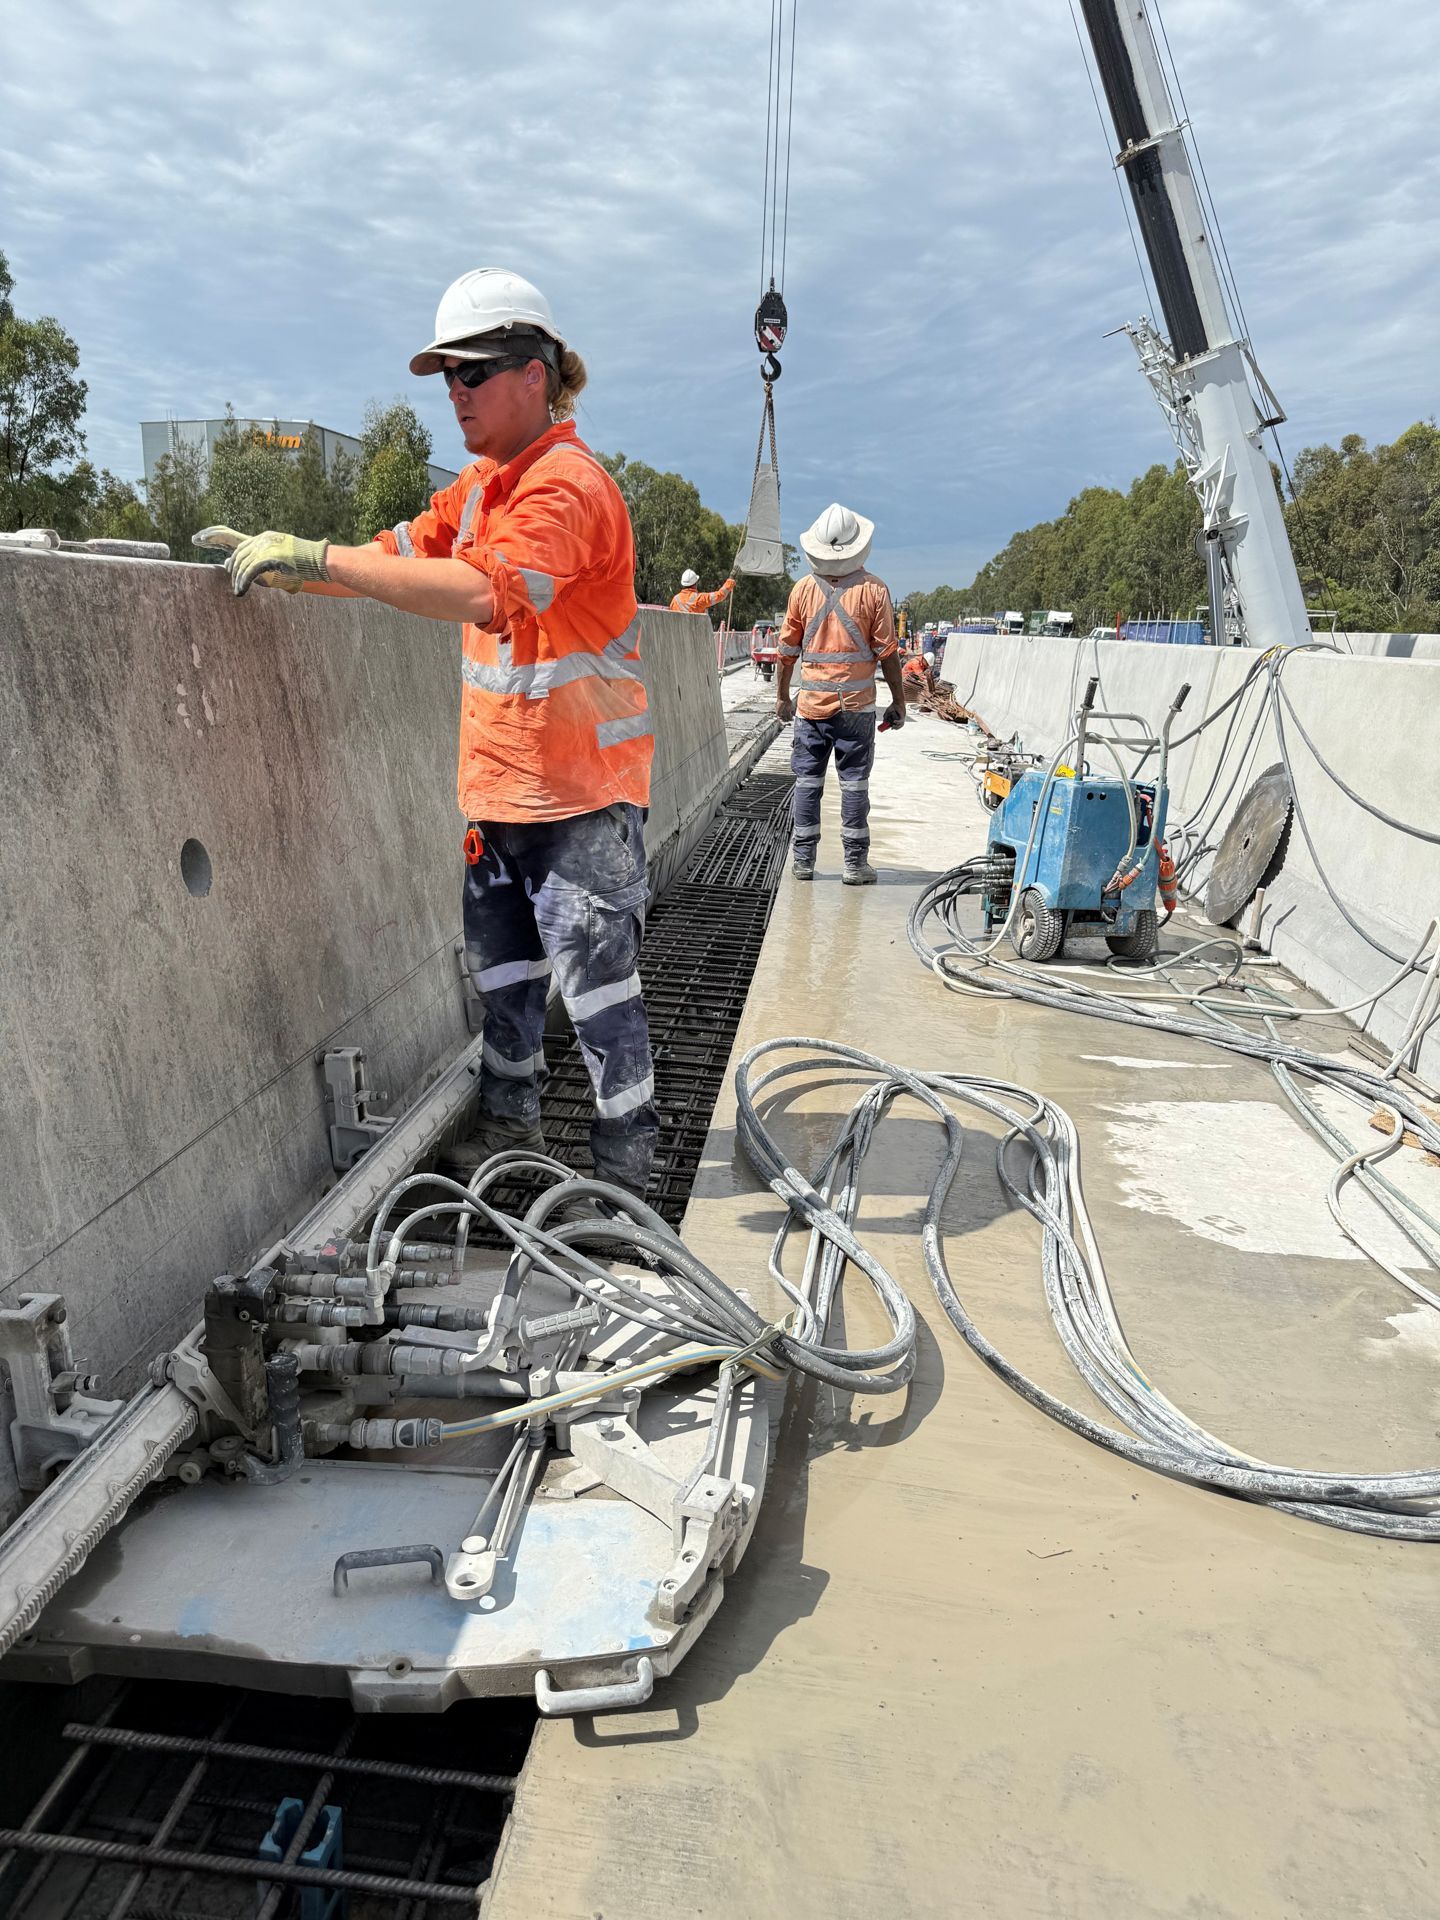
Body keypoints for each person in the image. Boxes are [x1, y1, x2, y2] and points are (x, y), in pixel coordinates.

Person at [195, 269, 659, 1195]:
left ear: (535, 373)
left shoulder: (566, 489)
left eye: (472, 373)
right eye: (446, 376)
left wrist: (324, 561)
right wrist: (299, 564)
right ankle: (511, 1137)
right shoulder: (482, 490)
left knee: (599, 996)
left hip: (580, 797)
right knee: (506, 983)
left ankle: (627, 1172)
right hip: (500, 792)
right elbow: (397, 558)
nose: (455, 393)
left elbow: (488, 592)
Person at [774, 503, 906, 886]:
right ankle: (854, 865)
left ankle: (802, 862)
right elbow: (888, 654)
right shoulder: (874, 590)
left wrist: (783, 698)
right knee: (854, 785)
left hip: (811, 708)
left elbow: (786, 654)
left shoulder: (801, 591)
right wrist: (898, 702)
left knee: (807, 784)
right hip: (856, 710)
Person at [670, 569, 736, 615]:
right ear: (695, 584)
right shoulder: (700, 598)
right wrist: (731, 579)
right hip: (695, 634)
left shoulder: (675, 600)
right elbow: (720, 595)